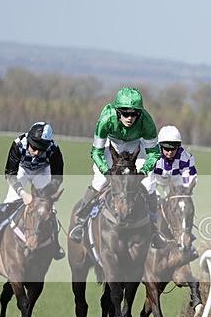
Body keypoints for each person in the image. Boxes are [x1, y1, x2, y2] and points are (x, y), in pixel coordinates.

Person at [68, 87, 166, 248]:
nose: (130, 118)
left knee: (149, 184)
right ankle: (80, 221)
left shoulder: (147, 122)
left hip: (136, 146)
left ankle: (154, 228)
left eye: (134, 114)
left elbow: (154, 154)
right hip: (111, 145)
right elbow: (96, 152)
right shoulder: (106, 119)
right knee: (99, 181)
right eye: (125, 113)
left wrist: (142, 172)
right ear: (118, 111)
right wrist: (106, 171)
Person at [0, 122, 66, 259]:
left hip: (42, 170)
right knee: (10, 201)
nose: (36, 153)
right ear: (29, 141)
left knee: (49, 208)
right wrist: (22, 193)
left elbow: (57, 179)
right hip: (22, 169)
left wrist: (43, 194)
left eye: (41, 150)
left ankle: (56, 245)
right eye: (34, 148)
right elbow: (10, 174)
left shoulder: (54, 149)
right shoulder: (18, 144)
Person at [150, 125, 199, 259]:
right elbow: (148, 179)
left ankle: (187, 238)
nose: (170, 152)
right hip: (154, 180)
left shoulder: (186, 158)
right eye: (166, 148)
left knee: (181, 206)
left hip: (175, 181)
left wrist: (184, 192)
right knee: (150, 201)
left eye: (173, 148)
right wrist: (157, 196)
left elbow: (188, 178)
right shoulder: (152, 155)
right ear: (160, 146)